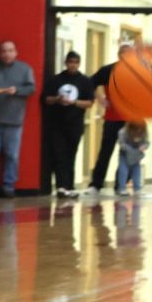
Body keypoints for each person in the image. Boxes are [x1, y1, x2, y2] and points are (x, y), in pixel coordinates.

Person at [0, 40, 36, 198]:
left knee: (12, 155)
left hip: (14, 120)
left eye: (10, 51)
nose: (7, 54)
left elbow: (31, 88)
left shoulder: (25, 69)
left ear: (16, 52)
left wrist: (17, 90)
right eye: (4, 51)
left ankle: (9, 186)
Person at [42, 50, 95, 198]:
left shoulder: (85, 81)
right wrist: (58, 99)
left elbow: (90, 102)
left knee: (71, 154)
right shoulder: (55, 80)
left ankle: (69, 186)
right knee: (59, 154)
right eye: (70, 62)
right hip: (56, 123)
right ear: (66, 63)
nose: (73, 65)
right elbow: (46, 99)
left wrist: (74, 102)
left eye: (76, 62)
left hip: (75, 124)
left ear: (79, 64)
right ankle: (60, 186)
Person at [85, 42, 132, 196]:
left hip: (131, 119)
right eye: (123, 53)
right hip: (112, 117)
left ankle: (121, 184)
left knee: (129, 152)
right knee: (106, 151)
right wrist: (99, 98)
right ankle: (96, 184)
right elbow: (90, 83)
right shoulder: (108, 70)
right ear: (119, 55)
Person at [115, 122, 149, 196]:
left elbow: (146, 142)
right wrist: (131, 150)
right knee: (123, 171)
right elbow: (121, 144)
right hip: (124, 154)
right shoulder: (123, 132)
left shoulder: (143, 132)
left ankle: (137, 189)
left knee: (137, 171)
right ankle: (122, 188)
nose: (139, 131)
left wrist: (143, 146)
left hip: (136, 156)